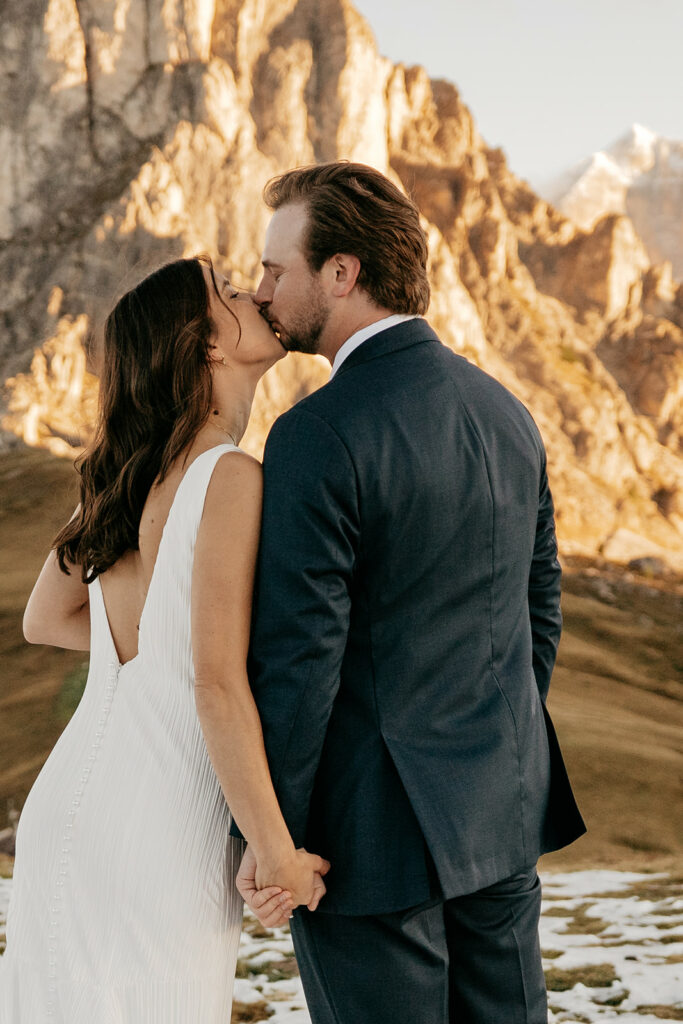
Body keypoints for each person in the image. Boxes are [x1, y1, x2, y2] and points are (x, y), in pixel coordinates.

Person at [234, 162, 586, 1024]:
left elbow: (300, 660)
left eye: (277, 268)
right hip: (500, 814)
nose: (261, 287)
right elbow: (538, 605)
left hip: (368, 843)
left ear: (342, 273)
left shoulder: (317, 432)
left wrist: (272, 838)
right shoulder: (506, 409)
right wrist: (490, 741)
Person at [0, 255, 329, 1022]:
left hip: (70, 808)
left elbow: (45, 619)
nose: (251, 292)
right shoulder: (228, 476)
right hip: (157, 826)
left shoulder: (125, 475)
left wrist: (153, 653)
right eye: (227, 291)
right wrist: (275, 850)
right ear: (205, 343)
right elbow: (214, 685)